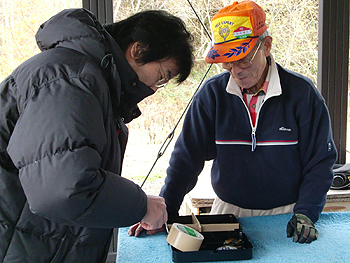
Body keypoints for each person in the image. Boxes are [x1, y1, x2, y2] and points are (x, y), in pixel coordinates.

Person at [129, 0, 337, 244]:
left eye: (243, 58)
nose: (236, 70)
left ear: (266, 46)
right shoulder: (212, 95)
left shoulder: (302, 94)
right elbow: (186, 159)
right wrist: (167, 210)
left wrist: (307, 212)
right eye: (227, 60)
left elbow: (320, 161)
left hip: (288, 214)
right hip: (228, 211)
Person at [0, 8, 194, 263]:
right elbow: (62, 188)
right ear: (137, 50)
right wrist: (140, 205)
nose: (154, 89)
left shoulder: (96, 86)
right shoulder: (69, 79)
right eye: (161, 76)